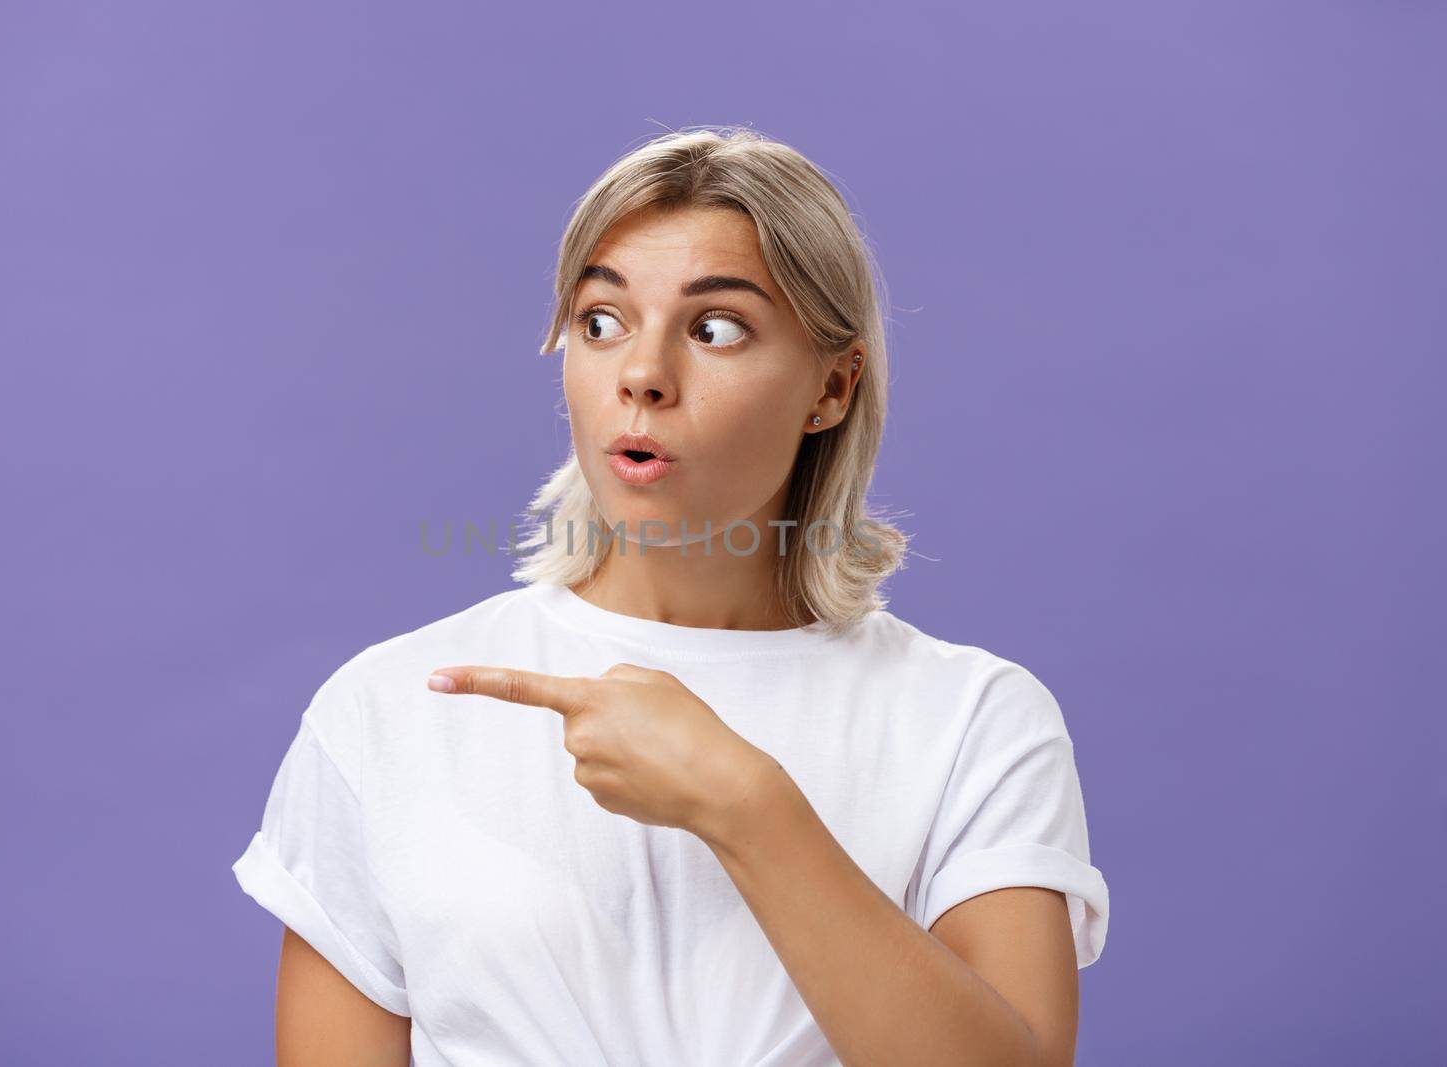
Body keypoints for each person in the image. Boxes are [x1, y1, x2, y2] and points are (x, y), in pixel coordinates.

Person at [231, 125, 1109, 1066]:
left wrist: (746, 806)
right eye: (601, 322)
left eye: (715, 328)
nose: (642, 375)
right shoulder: (387, 711)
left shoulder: (974, 723)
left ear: (834, 386)